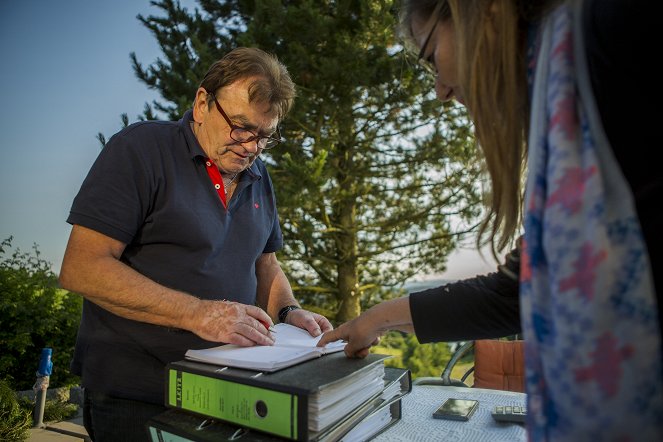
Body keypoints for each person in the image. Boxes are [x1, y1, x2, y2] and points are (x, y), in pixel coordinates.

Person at [319, 0, 662, 439]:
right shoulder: (556, 102)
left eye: (430, 57)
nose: (440, 90)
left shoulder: (609, 29)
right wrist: (379, 318)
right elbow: (518, 292)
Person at [59, 47, 333, 441]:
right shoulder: (141, 149)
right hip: (136, 394)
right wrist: (197, 313)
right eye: (240, 127)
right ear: (203, 103)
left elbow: (265, 265)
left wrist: (289, 310)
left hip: (228, 388)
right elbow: (82, 267)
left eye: (263, 136)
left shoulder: (259, 174)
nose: (251, 146)